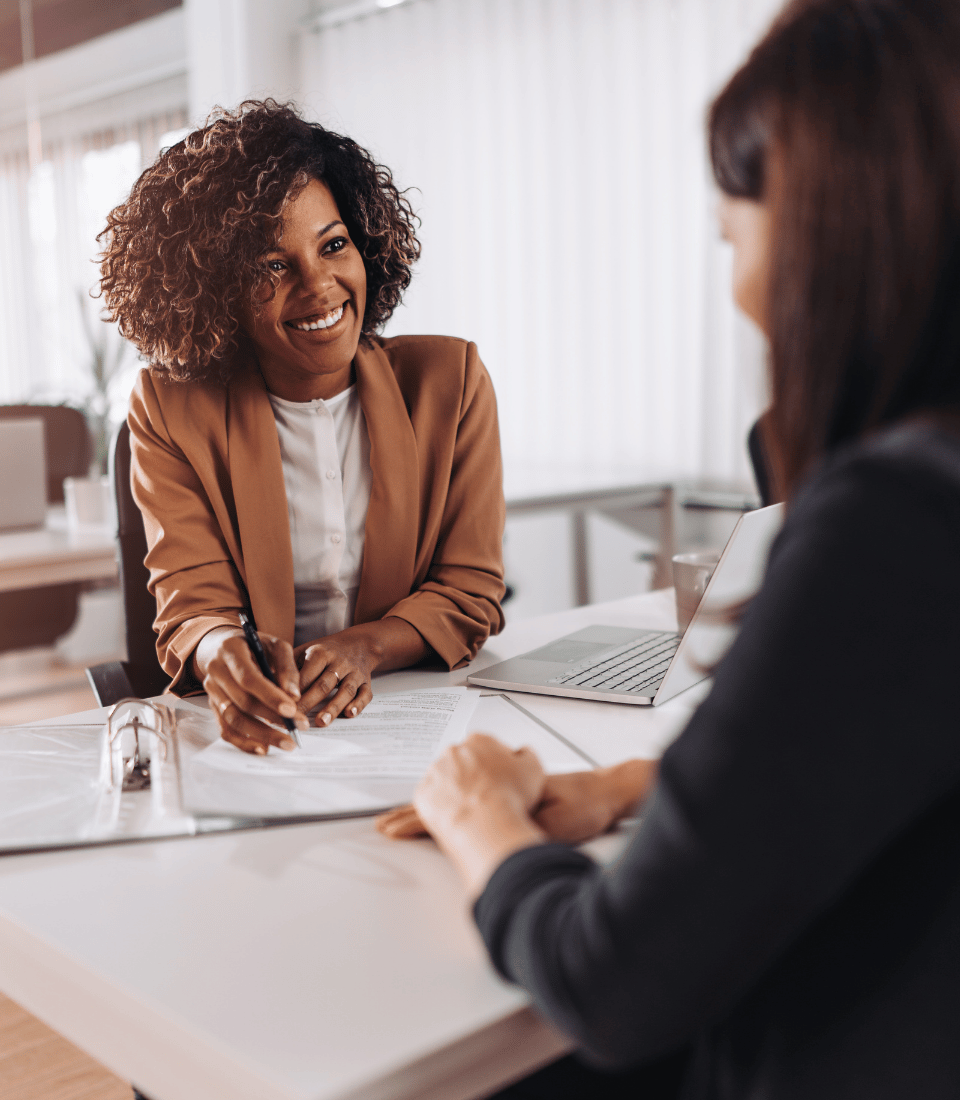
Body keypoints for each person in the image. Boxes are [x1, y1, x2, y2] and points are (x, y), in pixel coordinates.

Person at [381, 1, 960, 1096]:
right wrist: (637, 784)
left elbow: (613, 978)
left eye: (734, 230)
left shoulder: (894, 522)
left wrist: (482, 817)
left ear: (839, 225)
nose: (739, 289)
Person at [99, 101, 506, 754]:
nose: (320, 286)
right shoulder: (169, 406)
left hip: (410, 718)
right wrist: (221, 656)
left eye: (334, 245)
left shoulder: (448, 380)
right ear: (218, 290)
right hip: (262, 734)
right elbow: (191, 604)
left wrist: (364, 648)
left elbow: (469, 588)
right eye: (272, 265)